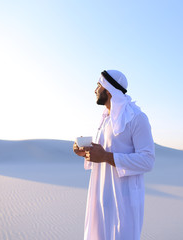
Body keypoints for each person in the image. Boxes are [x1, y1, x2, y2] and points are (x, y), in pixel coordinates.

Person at [73, 70, 155, 240]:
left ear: (108, 89)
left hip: (124, 198)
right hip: (102, 194)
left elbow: (147, 160)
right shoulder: (105, 119)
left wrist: (105, 157)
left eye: (98, 85)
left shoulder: (137, 118)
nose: (95, 90)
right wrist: (86, 152)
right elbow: (103, 152)